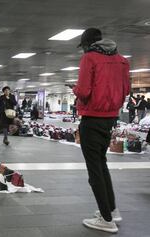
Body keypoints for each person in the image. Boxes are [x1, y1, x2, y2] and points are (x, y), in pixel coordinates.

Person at [70, 28, 130, 233]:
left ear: (87, 44)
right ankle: (112, 210)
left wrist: (75, 90)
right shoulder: (122, 59)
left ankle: (106, 220)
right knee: (102, 165)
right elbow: (127, 90)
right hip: (110, 119)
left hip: (92, 118)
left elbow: (84, 91)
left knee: (95, 170)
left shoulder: (89, 58)